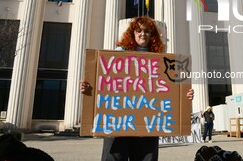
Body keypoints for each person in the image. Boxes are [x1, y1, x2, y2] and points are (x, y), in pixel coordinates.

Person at [80, 16, 194, 161]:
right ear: (132, 33)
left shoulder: (160, 60)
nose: (142, 34)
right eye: (138, 30)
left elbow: (173, 90)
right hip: (118, 124)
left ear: (152, 35)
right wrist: (88, 87)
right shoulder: (118, 54)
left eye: (147, 31)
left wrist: (185, 94)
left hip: (147, 127)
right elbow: (103, 81)